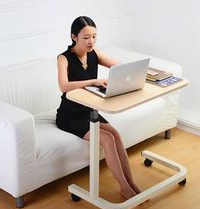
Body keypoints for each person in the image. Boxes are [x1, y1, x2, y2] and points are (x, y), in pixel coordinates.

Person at [56, 16, 141, 199]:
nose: (91, 41)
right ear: (74, 37)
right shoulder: (63, 58)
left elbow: (120, 66)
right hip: (70, 116)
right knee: (107, 140)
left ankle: (131, 182)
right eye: (86, 37)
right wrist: (94, 81)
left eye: (94, 36)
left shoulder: (95, 53)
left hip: (89, 110)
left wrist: (137, 73)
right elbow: (63, 86)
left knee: (115, 134)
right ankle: (124, 187)